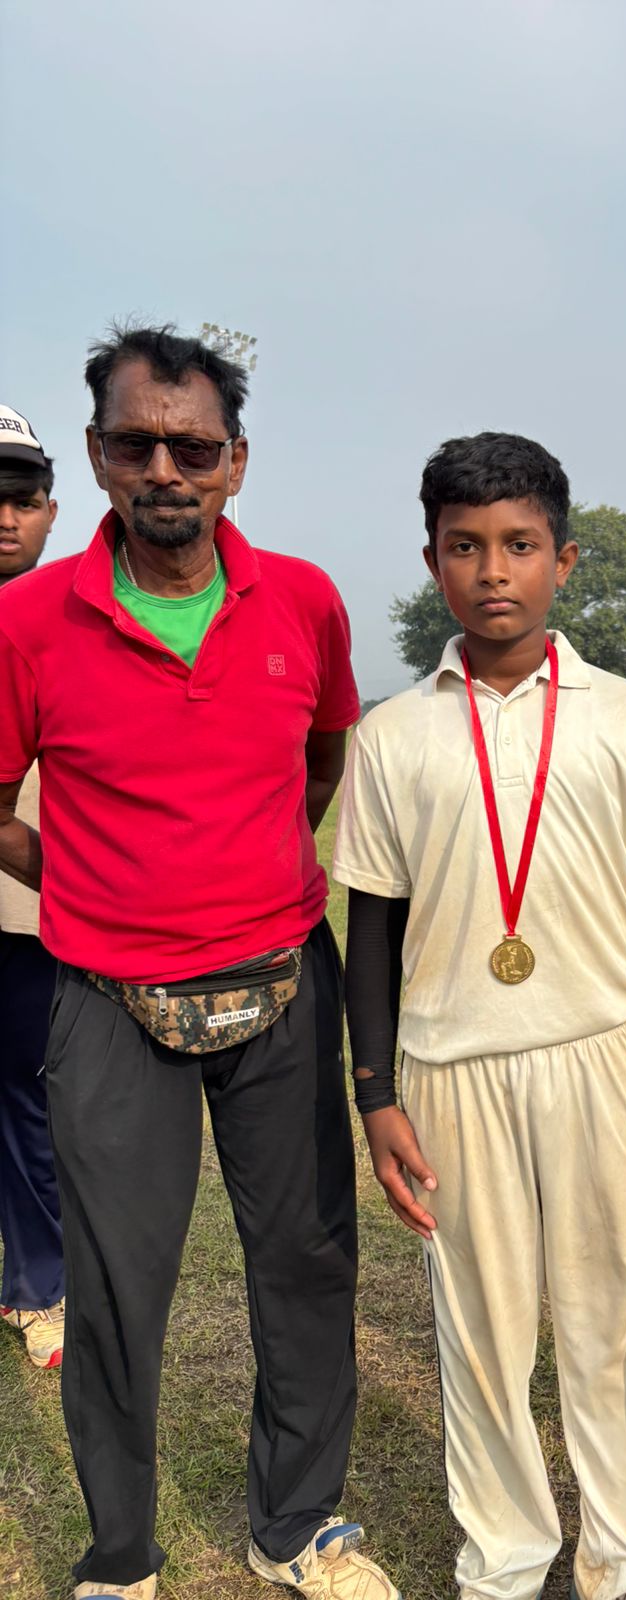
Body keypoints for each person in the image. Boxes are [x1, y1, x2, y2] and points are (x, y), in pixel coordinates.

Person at [0, 326, 398, 1600]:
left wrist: (250, 865)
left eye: (193, 445)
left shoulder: (305, 600)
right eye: (136, 442)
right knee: (118, 1286)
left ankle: (298, 1525)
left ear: (236, 461)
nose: (164, 467)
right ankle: (121, 1553)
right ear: (97, 455)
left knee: (305, 1259)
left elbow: (322, 760)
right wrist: (82, 883)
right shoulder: (26, 620)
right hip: (105, 996)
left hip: (283, 975)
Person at [333, 432, 626, 1600]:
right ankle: (504, 1557)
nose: (493, 570)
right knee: (484, 1330)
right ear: (433, 562)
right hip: (450, 1068)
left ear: (564, 558)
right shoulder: (393, 736)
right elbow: (374, 934)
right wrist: (375, 1093)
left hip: (604, 1054)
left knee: (614, 1313)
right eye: (465, 547)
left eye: (519, 545)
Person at [0, 405, 65, 1371]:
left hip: (30, 901)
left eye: (19, 501)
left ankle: (39, 1284)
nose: (4, 518)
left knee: (31, 1100)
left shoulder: (76, 617)